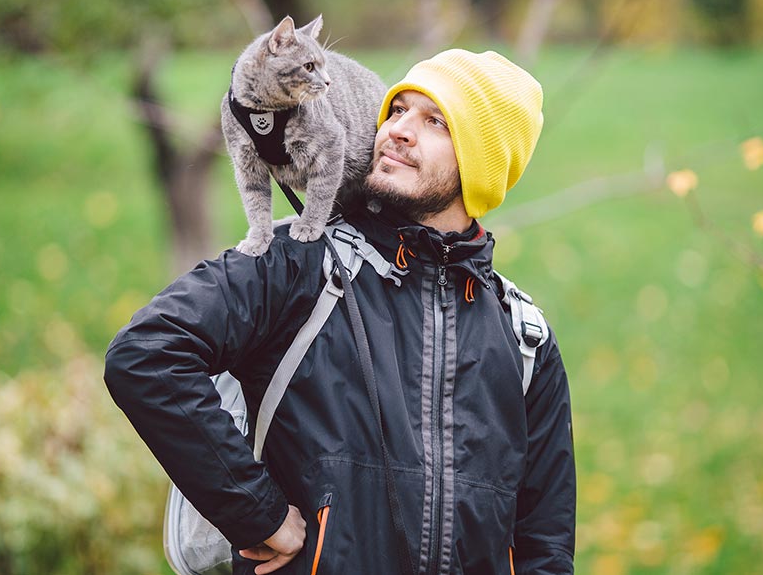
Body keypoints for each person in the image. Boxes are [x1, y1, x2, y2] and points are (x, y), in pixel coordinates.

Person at [104, 49, 576, 575]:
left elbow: (545, 546)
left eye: (434, 121)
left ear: (483, 162)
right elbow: (145, 354)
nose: (396, 130)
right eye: (398, 111)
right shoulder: (296, 267)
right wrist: (257, 514)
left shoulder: (524, 337)